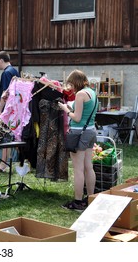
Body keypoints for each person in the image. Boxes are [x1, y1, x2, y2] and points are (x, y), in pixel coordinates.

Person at [58, 69, 97, 211]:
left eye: (71, 84)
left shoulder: (80, 94)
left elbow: (77, 118)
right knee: (88, 166)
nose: (71, 88)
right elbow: (84, 114)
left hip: (79, 132)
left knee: (78, 169)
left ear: (76, 82)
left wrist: (65, 109)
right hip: (91, 131)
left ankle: (78, 202)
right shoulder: (92, 92)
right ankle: (91, 198)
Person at [0, 51, 20, 172]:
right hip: (16, 108)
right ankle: (12, 162)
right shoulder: (14, 71)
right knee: (13, 135)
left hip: (7, 109)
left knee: (5, 135)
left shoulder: (6, 73)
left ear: (1, 60)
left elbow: (6, 93)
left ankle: (3, 164)